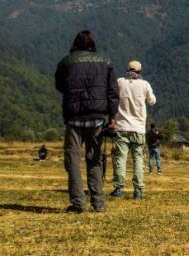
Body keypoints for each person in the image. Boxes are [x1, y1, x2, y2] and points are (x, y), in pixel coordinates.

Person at [55, 30, 119, 213]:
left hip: (74, 116)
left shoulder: (67, 62)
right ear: (93, 44)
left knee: (72, 160)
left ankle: (78, 203)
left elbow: (60, 86)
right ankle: (98, 203)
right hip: (97, 118)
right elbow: (112, 91)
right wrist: (112, 117)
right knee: (95, 159)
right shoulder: (105, 62)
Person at [110, 61, 156, 200]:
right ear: (140, 71)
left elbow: (112, 97)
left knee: (121, 159)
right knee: (138, 159)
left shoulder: (119, 82)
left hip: (122, 127)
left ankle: (118, 187)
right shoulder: (144, 84)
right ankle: (138, 189)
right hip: (138, 128)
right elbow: (152, 101)